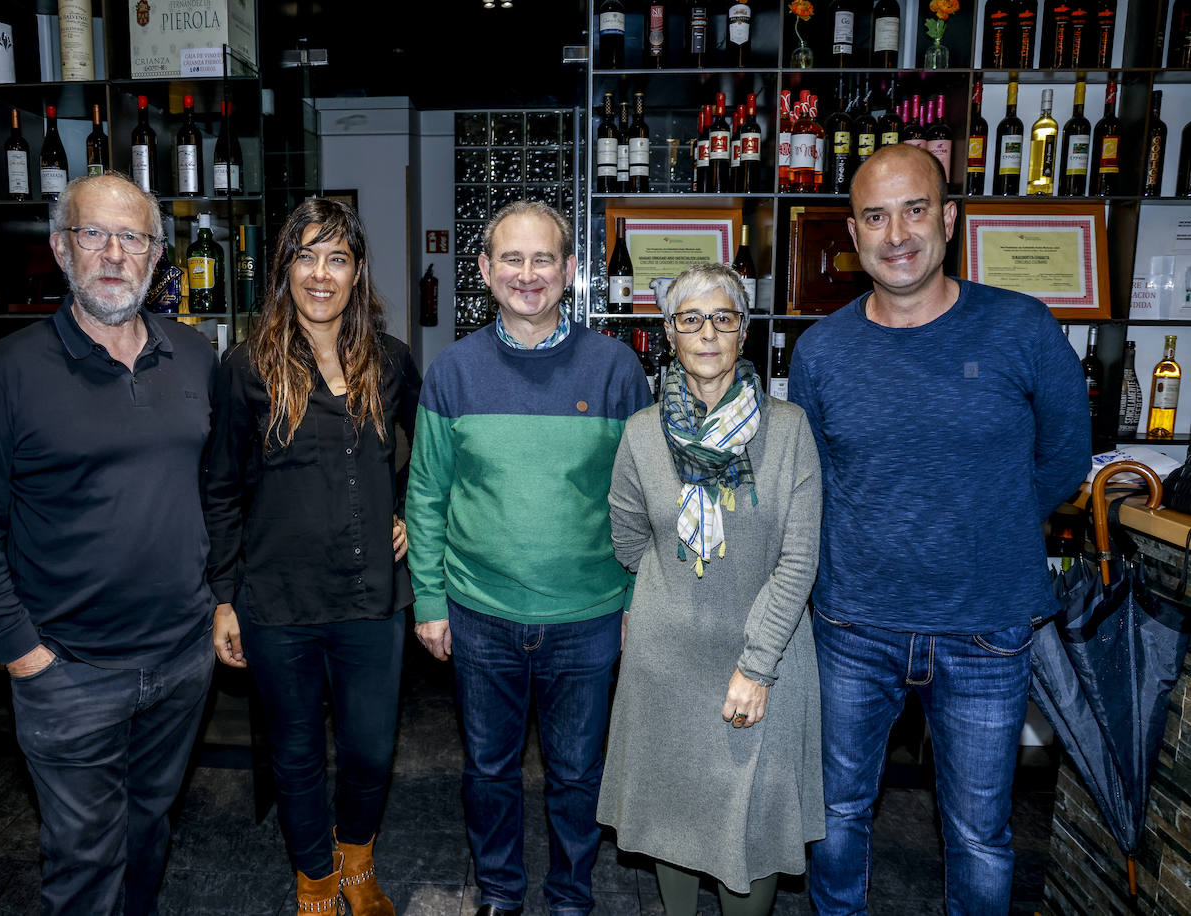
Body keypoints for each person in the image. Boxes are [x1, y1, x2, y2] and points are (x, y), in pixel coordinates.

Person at [788, 143, 1091, 915]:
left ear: (950, 219)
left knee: (980, 834)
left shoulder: (1021, 329)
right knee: (839, 814)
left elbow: (1064, 459)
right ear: (853, 236)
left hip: (986, 629)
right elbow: (811, 482)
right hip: (854, 624)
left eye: (915, 209)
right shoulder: (821, 351)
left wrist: (986, 527)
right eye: (876, 216)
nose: (898, 233)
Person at [0, 172, 218, 916]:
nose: (114, 254)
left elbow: (220, 494)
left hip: (181, 660)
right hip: (70, 672)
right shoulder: (9, 372)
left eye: (133, 237)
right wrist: (24, 653)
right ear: (62, 249)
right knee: (84, 859)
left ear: (158, 257)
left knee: (148, 831)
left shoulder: (195, 358)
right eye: (95, 234)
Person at [407, 200, 651, 916]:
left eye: (544, 258)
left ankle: (571, 897)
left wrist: (637, 601)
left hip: (590, 614)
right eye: (510, 259)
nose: (527, 273)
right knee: (488, 771)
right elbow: (425, 495)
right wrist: (428, 601)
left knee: (578, 775)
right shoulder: (452, 373)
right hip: (480, 613)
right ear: (485, 271)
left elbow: (642, 502)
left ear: (570, 270)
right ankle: (500, 894)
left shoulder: (616, 369)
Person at [204, 198, 420, 916]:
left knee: (369, 752)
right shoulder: (245, 368)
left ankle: (356, 860)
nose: (320, 274)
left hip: (371, 596)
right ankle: (316, 882)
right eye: (306, 256)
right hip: (277, 602)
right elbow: (221, 488)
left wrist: (413, 517)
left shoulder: (390, 362)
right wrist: (224, 598)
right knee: (295, 757)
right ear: (284, 269)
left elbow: (435, 458)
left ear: (358, 272)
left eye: (337, 258)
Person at [597, 263, 824, 916]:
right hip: (666, 664)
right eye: (690, 318)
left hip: (764, 662)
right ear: (669, 333)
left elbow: (798, 559)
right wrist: (668, 599)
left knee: (749, 831)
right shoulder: (643, 434)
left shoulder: (788, 432)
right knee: (673, 817)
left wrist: (756, 665)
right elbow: (628, 537)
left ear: (743, 333)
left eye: (723, 317)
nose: (707, 332)